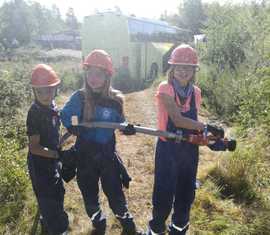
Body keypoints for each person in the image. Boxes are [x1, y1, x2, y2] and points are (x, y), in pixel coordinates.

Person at [60, 49, 144, 235]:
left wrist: (127, 127)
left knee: (115, 194)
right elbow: (65, 115)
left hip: (107, 157)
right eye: (90, 73)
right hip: (84, 157)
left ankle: (128, 225)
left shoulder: (115, 99)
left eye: (98, 74)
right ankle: (98, 222)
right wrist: (74, 125)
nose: (93, 78)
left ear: (107, 76)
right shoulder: (79, 97)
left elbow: (120, 122)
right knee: (89, 194)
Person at [147, 44, 224, 235]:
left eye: (188, 68)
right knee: (164, 193)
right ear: (172, 69)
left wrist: (208, 137)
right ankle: (156, 229)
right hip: (168, 149)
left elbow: (193, 121)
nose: (183, 71)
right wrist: (205, 127)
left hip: (189, 149)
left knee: (186, 192)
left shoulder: (196, 92)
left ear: (194, 71)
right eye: (179, 67)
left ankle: (179, 228)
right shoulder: (165, 88)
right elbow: (178, 119)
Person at [26, 64, 69, 235]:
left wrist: (69, 134)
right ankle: (58, 230)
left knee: (57, 194)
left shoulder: (53, 109)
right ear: (34, 91)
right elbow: (34, 147)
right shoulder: (34, 113)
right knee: (49, 199)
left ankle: (47, 224)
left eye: (49, 91)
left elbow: (55, 140)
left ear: (55, 89)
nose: (45, 95)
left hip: (52, 160)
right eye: (40, 91)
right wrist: (55, 154)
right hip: (40, 166)